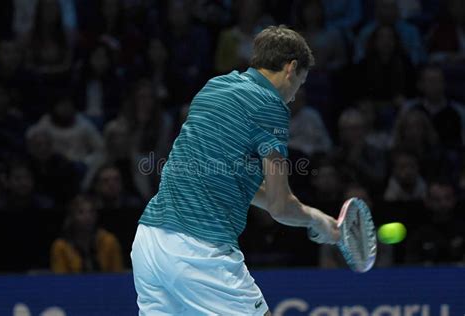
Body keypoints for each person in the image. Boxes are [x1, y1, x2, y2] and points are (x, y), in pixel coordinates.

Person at [131, 25, 339, 315]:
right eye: (300, 84)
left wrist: (314, 219)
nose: (293, 97)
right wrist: (316, 220)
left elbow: (234, 180)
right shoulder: (271, 105)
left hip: (149, 241)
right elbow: (280, 207)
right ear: (291, 68)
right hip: (199, 249)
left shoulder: (214, 86)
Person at [50, 194, 124, 273]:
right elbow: (60, 280)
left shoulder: (109, 241)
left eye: (91, 212)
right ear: (71, 216)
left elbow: (118, 275)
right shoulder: (60, 247)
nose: (87, 216)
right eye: (81, 212)